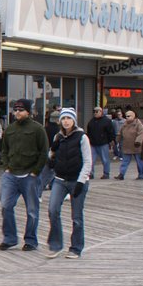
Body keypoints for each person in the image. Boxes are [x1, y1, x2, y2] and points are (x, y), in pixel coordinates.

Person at [0, 98, 49, 251]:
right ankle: (10, 238)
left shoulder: (38, 129)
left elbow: (44, 152)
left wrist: (36, 171)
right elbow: (4, 150)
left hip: (30, 176)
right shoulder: (10, 129)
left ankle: (31, 240)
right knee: (6, 206)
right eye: (15, 110)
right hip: (11, 174)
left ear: (28, 111)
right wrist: (6, 166)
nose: (17, 112)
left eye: (20, 110)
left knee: (32, 210)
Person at [45, 108, 91, 259]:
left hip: (77, 180)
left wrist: (81, 181)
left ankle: (76, 248)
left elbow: (87, 161)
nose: (66, 121)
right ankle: (56, 245)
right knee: (53, 210)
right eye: (63, 118)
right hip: (59, 179)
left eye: (68, 118)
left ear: (74, 120)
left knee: (76, 216)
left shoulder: (82, 137)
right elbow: (51, 154)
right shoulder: (58, 136)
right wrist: (51, 158)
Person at [85, 106, 115, 179]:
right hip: (93, 143)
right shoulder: (91, 121)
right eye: (94, 111)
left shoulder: (107, 121)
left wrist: (111, 140)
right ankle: (91, 173)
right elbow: (88, 132)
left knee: (105, 159)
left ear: (101, 112)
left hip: (103, 143)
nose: (95, 113)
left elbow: (111, 132)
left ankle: (106, 173)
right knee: (91, 160)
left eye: (97, 111)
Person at [116, 110, 143, 180]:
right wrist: (116, 140)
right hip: (127, 146)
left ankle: (141, 175)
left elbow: (141, 133)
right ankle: (121, 174)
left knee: (139, 162)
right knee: (124, 162)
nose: (127, 117)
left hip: (137, 146)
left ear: (133, 116)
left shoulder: (138, 124)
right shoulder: (124, 124)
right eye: (126, 116)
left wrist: (138, 141)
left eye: (128, 116)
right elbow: (120, 133)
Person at [40, 111, 61, 192]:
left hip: (45, 149)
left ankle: (50, 184)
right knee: (51, 170)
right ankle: (44, 186)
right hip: (53, 150)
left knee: (47, 170)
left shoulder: (45, 128)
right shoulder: (58, 130)